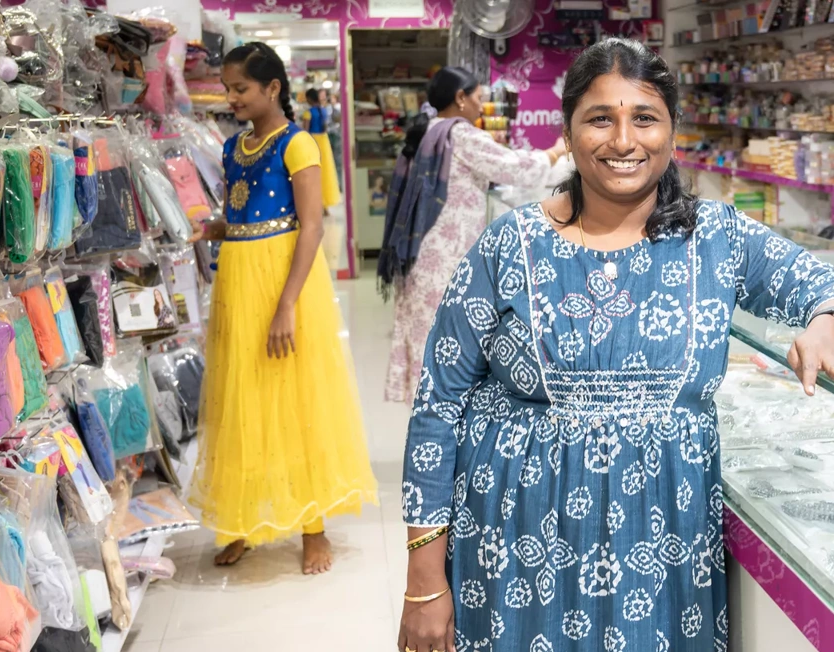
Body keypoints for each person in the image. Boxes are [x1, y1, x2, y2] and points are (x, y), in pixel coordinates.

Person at [396, 39, 834, 652]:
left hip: (660, 555)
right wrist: (424, 578)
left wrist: (831, 326)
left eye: (645, 119)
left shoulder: (716, 238)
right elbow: (437, 408)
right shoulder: (511, 246)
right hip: (516, 552)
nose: (624, 141)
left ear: (673, 131)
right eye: (600, 119)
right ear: (566, 133)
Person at [191, 42, 378, 575]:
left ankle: (312, 526)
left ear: (273, 88)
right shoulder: (232, 148)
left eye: (240, 89)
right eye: (227, 88)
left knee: (294, 399)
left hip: (284, 283)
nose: (230, 98)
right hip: (238, 280)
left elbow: (312, 225)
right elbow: (241, 213)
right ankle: (242, 520)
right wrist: (212, 229)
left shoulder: (298, 144)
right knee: (242, 398)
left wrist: (287, 304)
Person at [379, 66, 569, 403]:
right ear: (460, 98)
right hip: (448, 258)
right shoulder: (461, 136)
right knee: (449, 342)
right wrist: (556, 150)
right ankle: (445, 415)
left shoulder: (427, 132)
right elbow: (517, 168)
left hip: (421, 254)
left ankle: (428, 411)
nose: (482, 106)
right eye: (479, 98)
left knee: (426, 337)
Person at [303, 87, 342, 211]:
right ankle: (325, 205)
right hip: (324, 141)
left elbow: (305, 131)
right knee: (326, 171)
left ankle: (315, 204)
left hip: (313, 141)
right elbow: (325, 127)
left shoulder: (308, 113)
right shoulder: (324, 111)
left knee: (313, 172)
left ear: (309, 99)